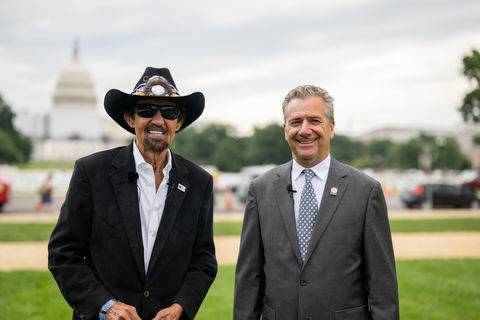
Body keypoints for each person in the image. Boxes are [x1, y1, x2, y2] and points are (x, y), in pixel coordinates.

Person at [48, 67, 217, 320]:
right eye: (147, 110)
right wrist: (106, 306)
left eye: (169, 111)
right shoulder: (92, 173)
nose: (158, 120)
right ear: (130, 118)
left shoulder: (199, 182)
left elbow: (202, 261)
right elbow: (64, 254)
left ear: (178, 122)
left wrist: (180, 306)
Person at [233, 85, 399, 319]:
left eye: (314, 120)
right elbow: (248, 281)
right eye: (295, 122)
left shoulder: (365, 191)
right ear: (285, 129)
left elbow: (383, 285)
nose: (304, 130)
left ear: (330, 128)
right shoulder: (261, 190)